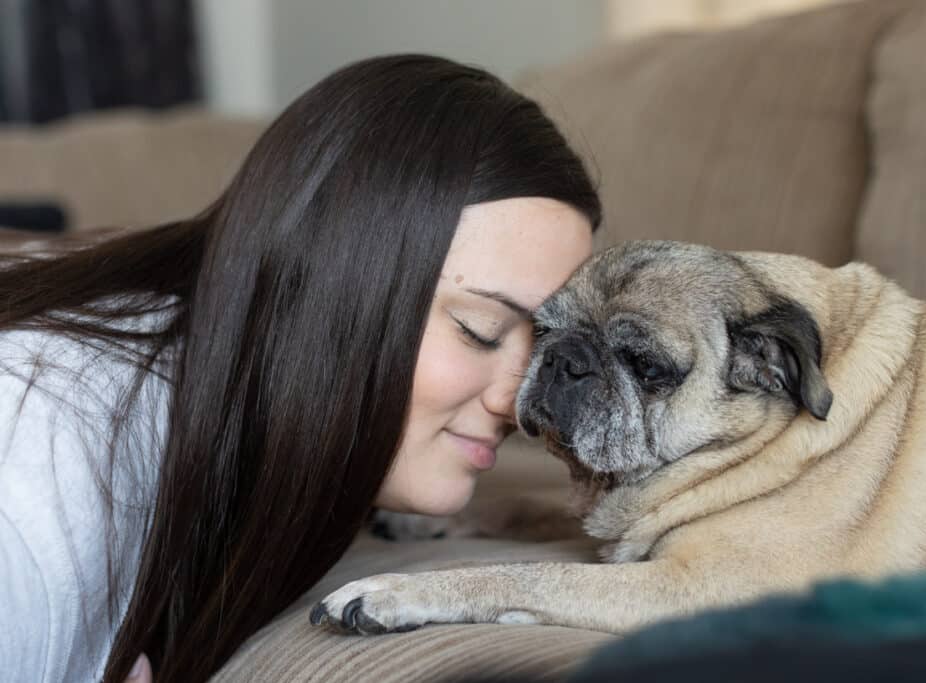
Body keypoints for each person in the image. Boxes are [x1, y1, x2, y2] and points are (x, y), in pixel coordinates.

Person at [0, 54, 600, 682]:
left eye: (542, 350)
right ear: (333, 286)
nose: (518, 406)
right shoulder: (45, 478)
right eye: (481, 331)